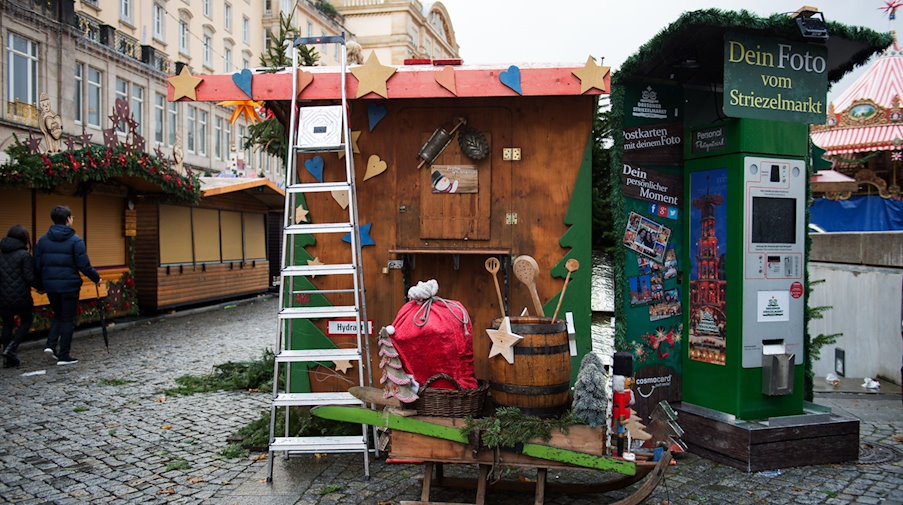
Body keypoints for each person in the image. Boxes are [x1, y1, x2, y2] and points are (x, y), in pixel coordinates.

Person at [34, 206, 101, 365]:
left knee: (59, 315)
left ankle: (50, 345)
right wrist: (96, 278)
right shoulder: (75, 241)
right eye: (72, 217)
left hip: (51, 286)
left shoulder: (42, 241)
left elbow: (37, 265)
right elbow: (83, 265)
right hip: (69, 286)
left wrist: (40, 285)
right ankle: (64, 355)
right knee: (68, 319)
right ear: (68, 219)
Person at [0, 225, 36, 367]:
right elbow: (29, 277)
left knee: (7, 324)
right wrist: (41, 287)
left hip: (3, 297)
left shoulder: (1, 254)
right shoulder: (24, 255)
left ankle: (8, 358)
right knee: (26, 320)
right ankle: (11, 349)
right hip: (21, 296)